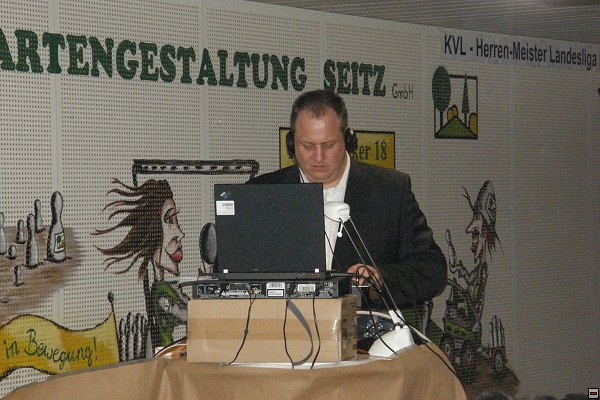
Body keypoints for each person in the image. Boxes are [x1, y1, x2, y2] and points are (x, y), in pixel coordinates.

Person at [247, 89, 447, 307]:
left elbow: (432, 269)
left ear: (348, 140)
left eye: (328, 145)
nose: (318, 157)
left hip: (361, 327)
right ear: (291, 144)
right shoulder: (261, 193)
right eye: (308, 146)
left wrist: (379, 280)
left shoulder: (390, 190)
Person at [94, 178, 188, 349]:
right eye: (169, 220)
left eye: (176, 220)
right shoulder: (161, 297)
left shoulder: (168, 287)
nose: (180, 233)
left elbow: (187, 304)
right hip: (165, 358)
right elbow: (186, 314)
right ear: (154, 233)